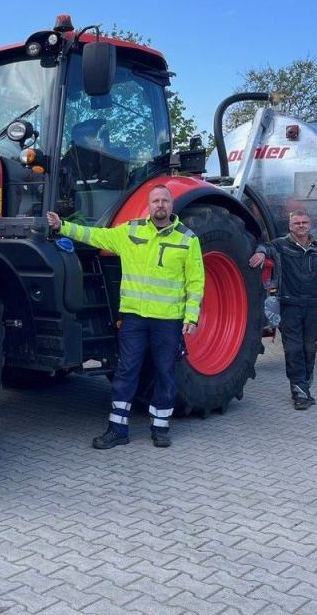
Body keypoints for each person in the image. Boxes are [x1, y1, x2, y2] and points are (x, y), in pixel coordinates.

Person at [46, 185, 204, 449]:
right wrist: (62, 226)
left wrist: (192, 316)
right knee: (126, 371)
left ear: (171, 205)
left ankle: (160, 427)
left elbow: (196, 282)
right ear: (149, 204)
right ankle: (118, 429)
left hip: (167, 321)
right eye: (156, 201)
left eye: (165, 200)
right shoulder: (131, 231)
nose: (160, 205)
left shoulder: (188, 239)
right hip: (134, 320)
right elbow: (97, 236)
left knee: (165, 372)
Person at [248, 209, 317, 411]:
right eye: (296, 223)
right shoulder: (280, 246)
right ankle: (299, 392)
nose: (301, 226)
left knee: (310, 348)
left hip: (314, 306)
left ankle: (305, 385)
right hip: (290, 305)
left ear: (310, 225)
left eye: (304, 222)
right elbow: (264, 246)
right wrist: (260, 252)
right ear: (290, 226)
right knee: (293, 349)